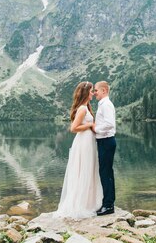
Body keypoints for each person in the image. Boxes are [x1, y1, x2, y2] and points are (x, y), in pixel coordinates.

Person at [54, 81, 103, 219]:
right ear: (86, 92)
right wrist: (90, 124)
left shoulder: (85, 108)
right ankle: (82, 204)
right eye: (91, 90)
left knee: (89, 169)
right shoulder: (82, 109)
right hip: (84, 142)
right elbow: (73, 128)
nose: (93, 93)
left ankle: (89, 202)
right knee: (84, 169)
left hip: (88, 141)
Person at [93, 80, 116, 216]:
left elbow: (109, 124)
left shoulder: (106, 104)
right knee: (107, 173)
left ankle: (108, 205)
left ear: (104, 91)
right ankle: (108, 203)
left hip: (106, 141)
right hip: (105, 141)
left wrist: (95, 129)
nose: (94, 93)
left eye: (96, 90)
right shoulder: (103, 104)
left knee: (105, 173)